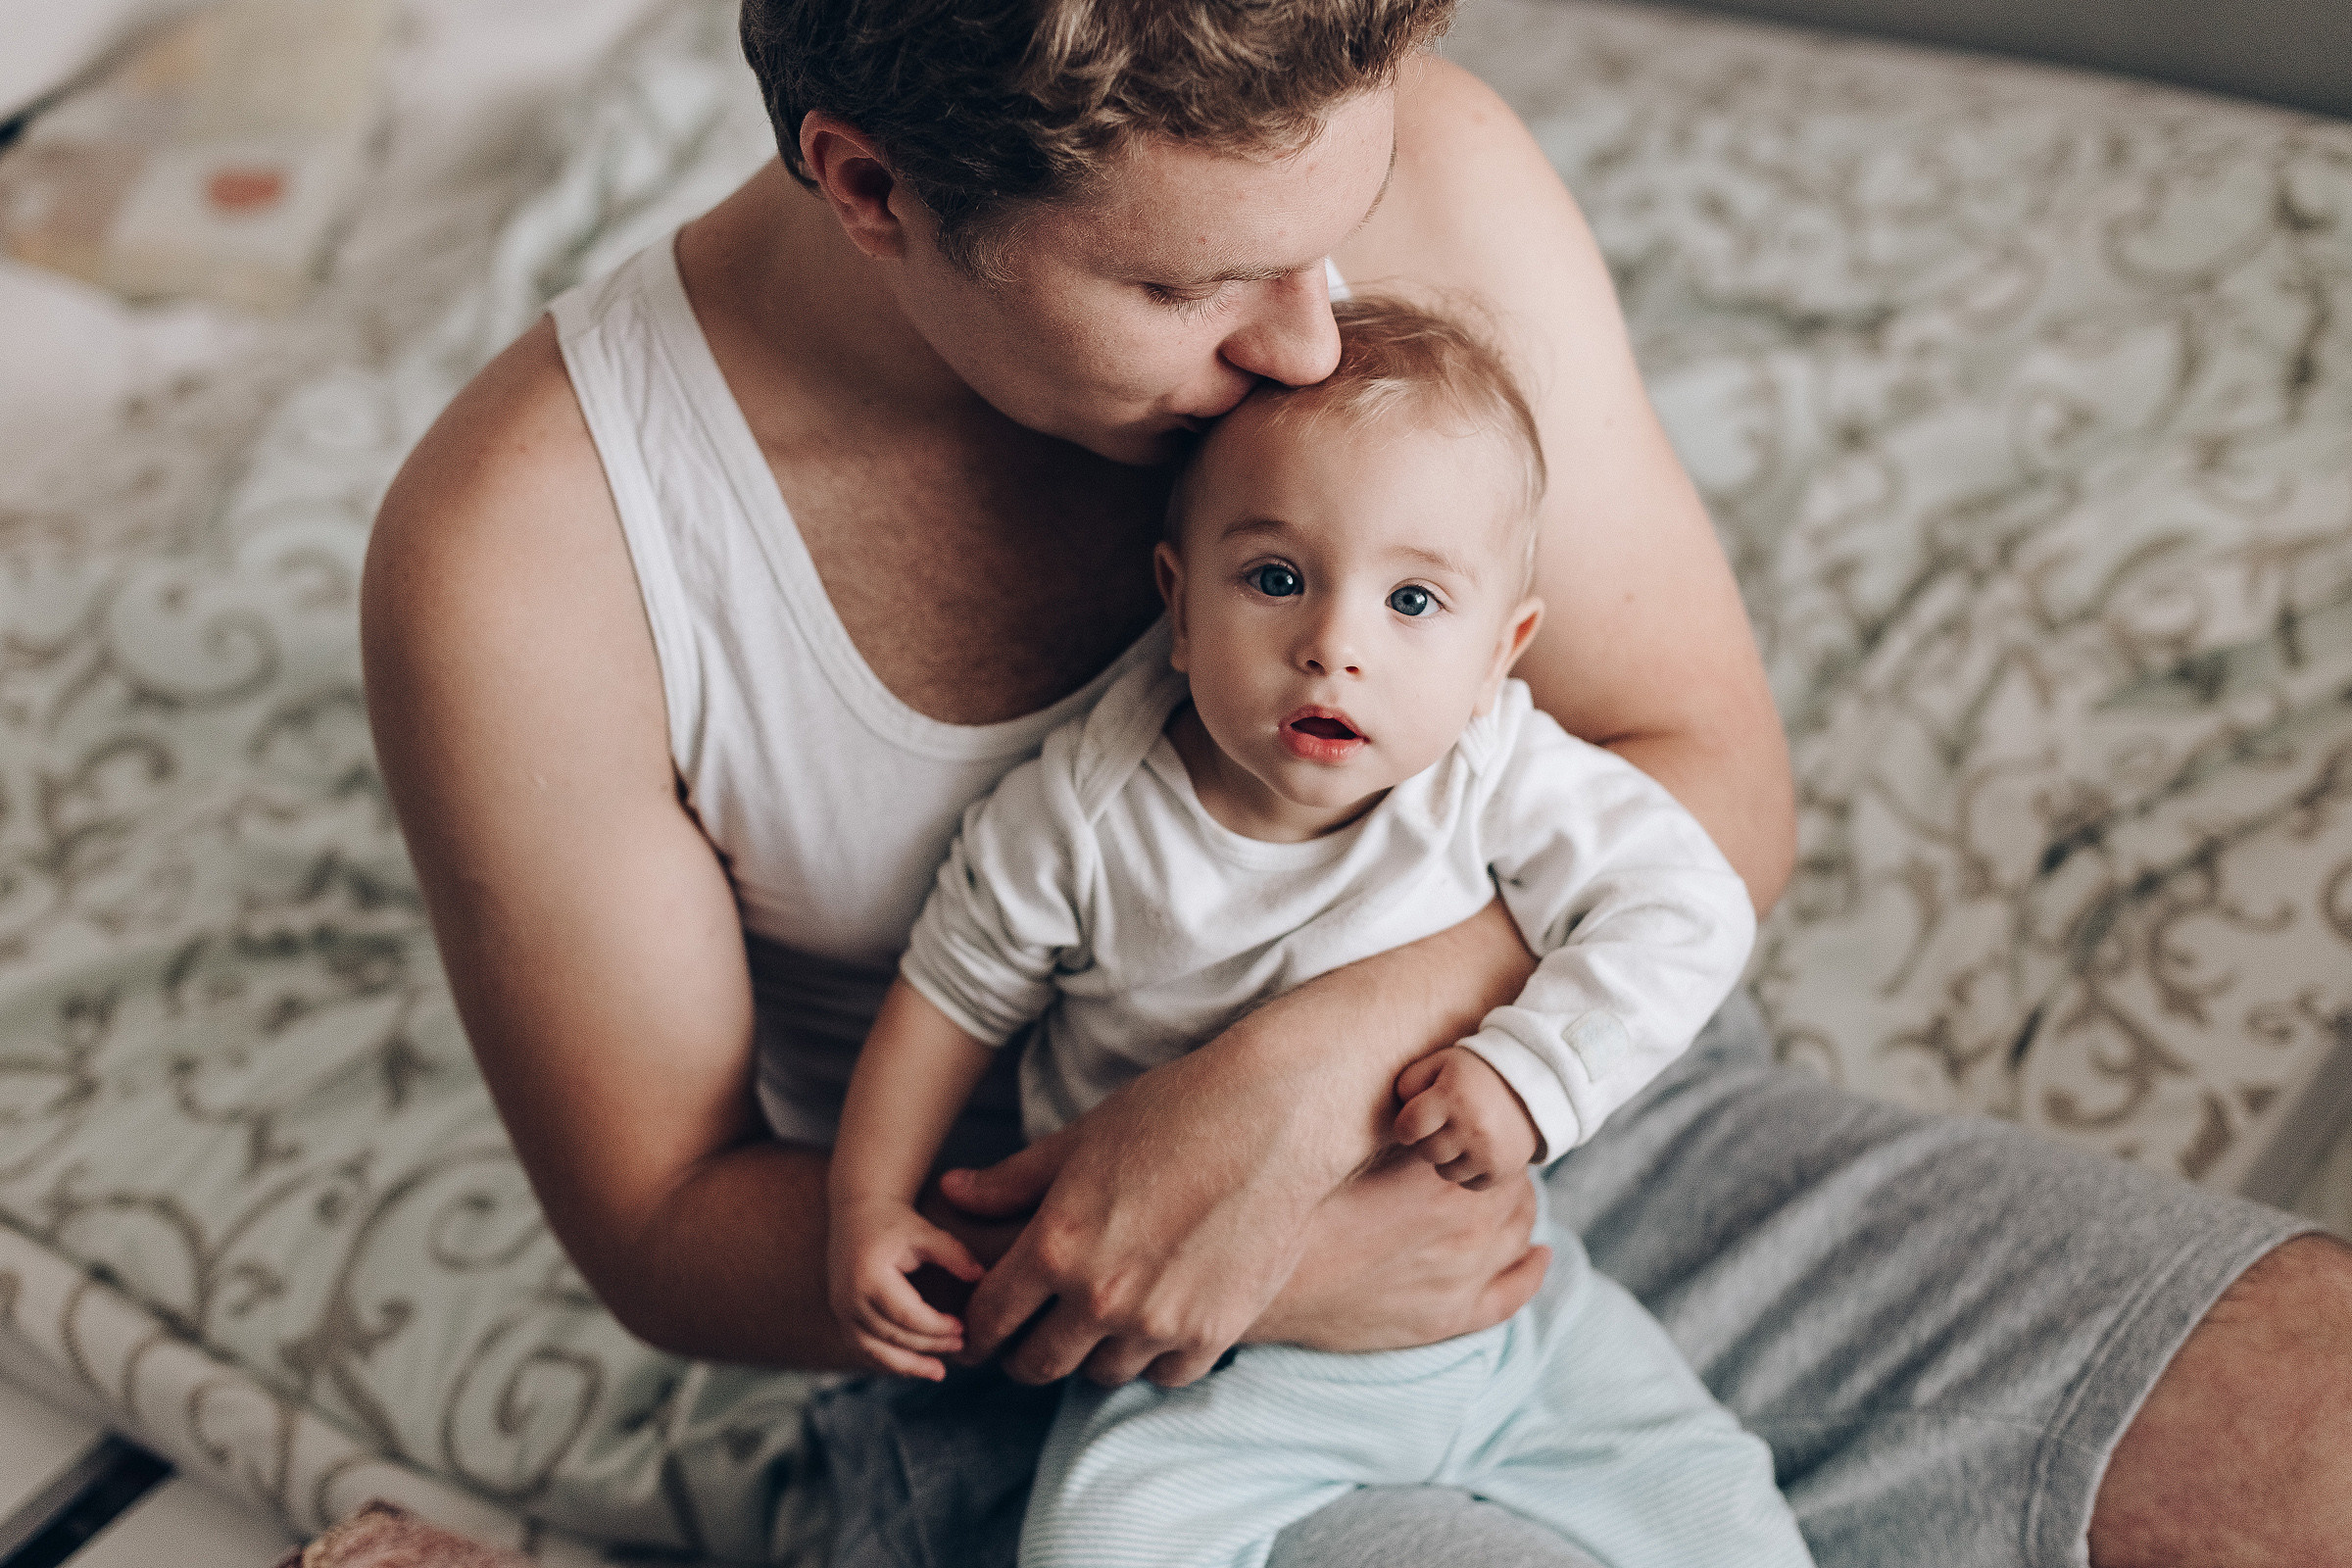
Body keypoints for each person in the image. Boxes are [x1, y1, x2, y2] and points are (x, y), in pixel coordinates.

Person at [357, 0, 2352, 1563]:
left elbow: (1701, 766)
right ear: (868, 186)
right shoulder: (532, 551)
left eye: (1333, 233)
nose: (1312, 334)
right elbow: (661, 1219)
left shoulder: (1419, 179)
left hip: (1598, 1133)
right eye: (1187, 288)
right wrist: (1218, 1255)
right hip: (1085, 1372)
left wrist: (1311, 1077)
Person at [825, 295, 1813, 1568]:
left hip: (1510, 1325)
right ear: (1179, 607)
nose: (1335, 645)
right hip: (1216, 1374)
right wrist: (866, 1199)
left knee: (1723, 1514)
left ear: (1498, 652)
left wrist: (1533, 1073)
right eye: (1277, 580)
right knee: (1093, 1538)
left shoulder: (1499, 769)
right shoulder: (1082, 814)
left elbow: (1685, 904)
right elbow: (946, 998)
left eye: (1414, 602)